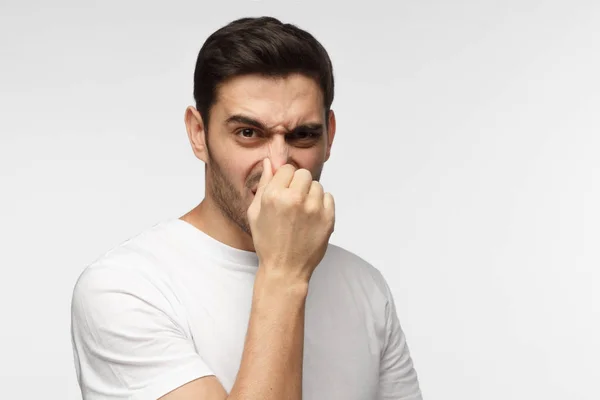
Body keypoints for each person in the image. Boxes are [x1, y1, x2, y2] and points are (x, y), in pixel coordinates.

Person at [70, 16, 423, 400]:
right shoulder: (127, 288)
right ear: (198, 134)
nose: (278, 164)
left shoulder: (366, 286)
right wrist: (284, 274)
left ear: (330, 136)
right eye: (248, 133)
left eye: (302, 135)